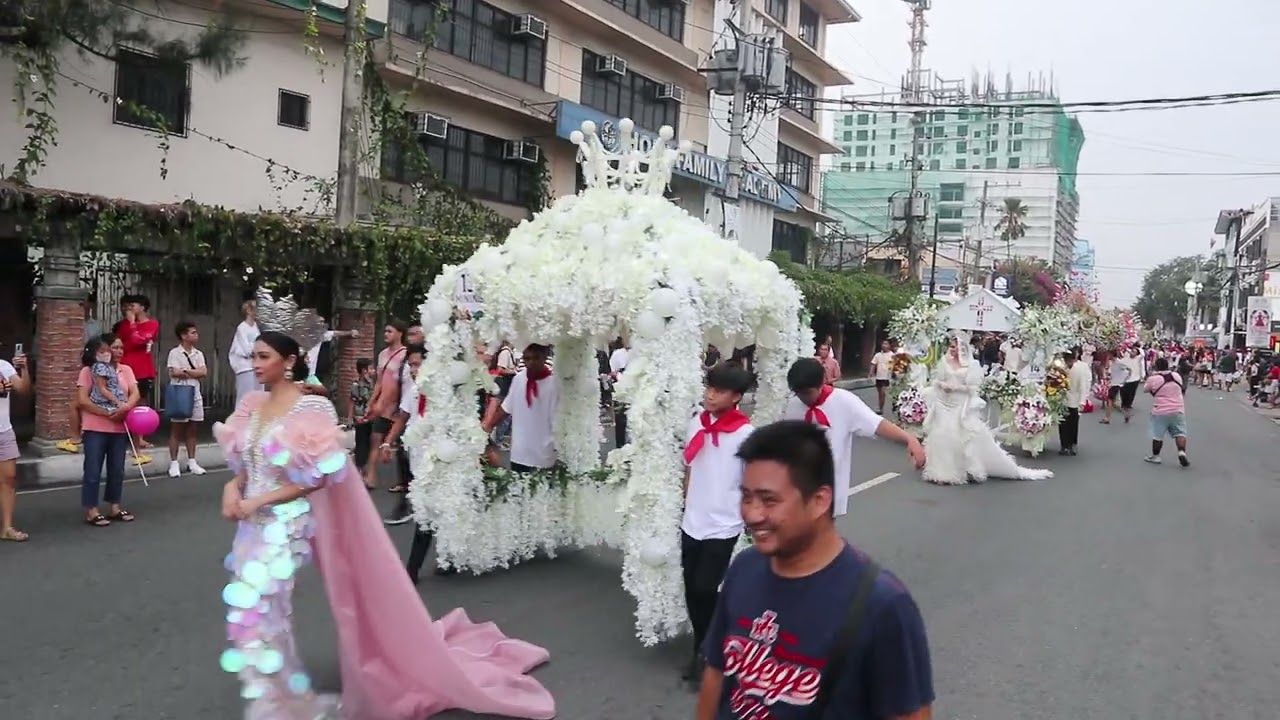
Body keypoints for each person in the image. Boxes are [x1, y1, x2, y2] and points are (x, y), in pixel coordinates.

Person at [214, 319, 555, 720]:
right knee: (251, 614)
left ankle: (282, 701)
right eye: (252, 355)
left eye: (263, 356)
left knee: (265, 607)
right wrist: (232, 491)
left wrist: (260, 501)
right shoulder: (253, 406)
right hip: (250, 521)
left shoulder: (311, 406)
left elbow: (319, 477)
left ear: (289, 361)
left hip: (285, 521)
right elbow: (247, 465)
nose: (254, 364)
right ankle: (276, 694)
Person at [696, 420, 934, 720]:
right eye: (746, 497)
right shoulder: (744, 568)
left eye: (769, 500)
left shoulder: (883, 605)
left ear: (819, 500)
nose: (752, 514)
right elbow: (717, 674)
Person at [680, 362, 754, 686]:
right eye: (709, 387)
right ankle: (704, 645)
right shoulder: (696, 422)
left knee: (705, 587)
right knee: (691, 590)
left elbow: (749, 480)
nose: (711, 395)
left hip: (723, 523)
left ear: (736, 396)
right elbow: (690, 466)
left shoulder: (746, 434)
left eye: (720, 390)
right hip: (692, 520)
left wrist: (750, 518)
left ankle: (710, 653)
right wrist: (685, 503)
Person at [783, 358, 925, 516]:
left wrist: (909, 439)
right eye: (798, 393)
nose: (803, 398)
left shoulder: (844, 401)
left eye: (807, 393)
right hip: (796, 484)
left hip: (826, 485)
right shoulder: (793, 405)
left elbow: (876, 424)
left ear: (821, 383)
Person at [921, 335, 1053, 484]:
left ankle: (955, 472)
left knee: (957, 438)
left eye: (955, 347)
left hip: (959, 406)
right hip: (943, 404)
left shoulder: (971, 364)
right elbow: (936, 380)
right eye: (951, 347)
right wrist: (942, 385)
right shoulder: (945, 362)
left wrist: (957, 387)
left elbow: (973, 388)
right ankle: (939, 472)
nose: (952, 350)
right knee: (940, 436)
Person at [77, 334, 140, 527]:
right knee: (93, 470)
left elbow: (135, 393)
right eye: (114, 348)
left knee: (117, 469)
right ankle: (91, 509)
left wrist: (125, 408)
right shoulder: (89, 371)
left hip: (120, 428)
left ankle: (114, 506)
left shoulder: (126, 370)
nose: (118, 352)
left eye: (121, 348)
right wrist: (107, 412)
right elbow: (83, 400)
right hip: (95, 427)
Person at [481, 344, 558, 474]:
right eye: (527, 358)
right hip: (520, 453)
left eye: (536, 358)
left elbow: (560, 419)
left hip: (545, 454)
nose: (531, 362)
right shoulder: (519, 379)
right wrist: (488, 427)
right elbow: (506, 409)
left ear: (545, 357)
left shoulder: (555, 383)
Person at [361, 320, 408, 490]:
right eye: (385, 331)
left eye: (390, 331)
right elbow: (380, 382)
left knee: (403, 445)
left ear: (399, 333)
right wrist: (372, 401)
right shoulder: (382, 355)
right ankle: (371, 477)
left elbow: (400, 383)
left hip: (399, 406)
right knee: (375, 440)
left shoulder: (405, 355)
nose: (386, 334)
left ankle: (405, 481)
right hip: (383, 407)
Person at [114, 294, 159, 455]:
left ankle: (139, 436)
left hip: (142, 368)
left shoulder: (152, 324)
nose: (129, 309)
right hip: (125, 366)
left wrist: (133, 323)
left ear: (143, 307)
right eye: (128, 306)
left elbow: (138, 341)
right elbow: (120, 343)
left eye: (133, 305)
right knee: (123, 400)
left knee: (140, 402)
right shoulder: (122, 325)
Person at [166, 320, 208, 478]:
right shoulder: (174, 353)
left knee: (193, 429)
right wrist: (193, 371)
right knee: (177, 429)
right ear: (183, 336)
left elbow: (203, 372)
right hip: (179, 392)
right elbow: (174, 372)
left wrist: (185, 370)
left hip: (195, 392)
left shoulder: (199, 354)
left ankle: (192, 461)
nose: (196, 335)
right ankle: (174, 462)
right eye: (192, 332)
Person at [0, 349, 31, 542]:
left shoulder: (4, 365)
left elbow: (24, 389)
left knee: (9, 479)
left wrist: (24, 369)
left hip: (4, 430)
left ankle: (7, 527)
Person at [1144, 357, 1190, 467]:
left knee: (1157, 435)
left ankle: (1156, 456)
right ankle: (1181, 452)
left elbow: (1145, 389)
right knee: (1180, 433)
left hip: (1161, 410)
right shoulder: (1176, 376)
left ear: (1156, 366)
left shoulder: (1153, 379)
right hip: (1178, 408)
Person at [1058, 350, 1091, 456]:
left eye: (1070, 361)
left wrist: (1082, 402)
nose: (1069, 363)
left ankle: (1072, 443)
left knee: (1073, 424)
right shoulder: (1061, 368)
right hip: (1062, 400)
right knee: (1062, 424)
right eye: (1067, 361)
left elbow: (1083, 386)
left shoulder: (1080, 369)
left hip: (1074, 400)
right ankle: (1064, 445)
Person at [230, 299, 262, 405]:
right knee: (245, 396)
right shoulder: (242, 328)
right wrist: (257, 351)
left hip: (256, 365)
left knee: (258, 396)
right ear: (249, 310)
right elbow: (246, 349)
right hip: (245, 367)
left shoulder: (255, 327)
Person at [869, 340, 895, 414]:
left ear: (889, 346)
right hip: (879, 377)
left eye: (886, 344)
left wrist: (892, 373)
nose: (884, 345)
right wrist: (871, 372)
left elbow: (892, 365)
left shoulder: (892, 355)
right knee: (880, 393)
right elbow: (873, 364)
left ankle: (881, 408)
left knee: (883, 392)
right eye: (883, 343)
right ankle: (880, 407)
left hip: (886, 377)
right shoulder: (878, 355)